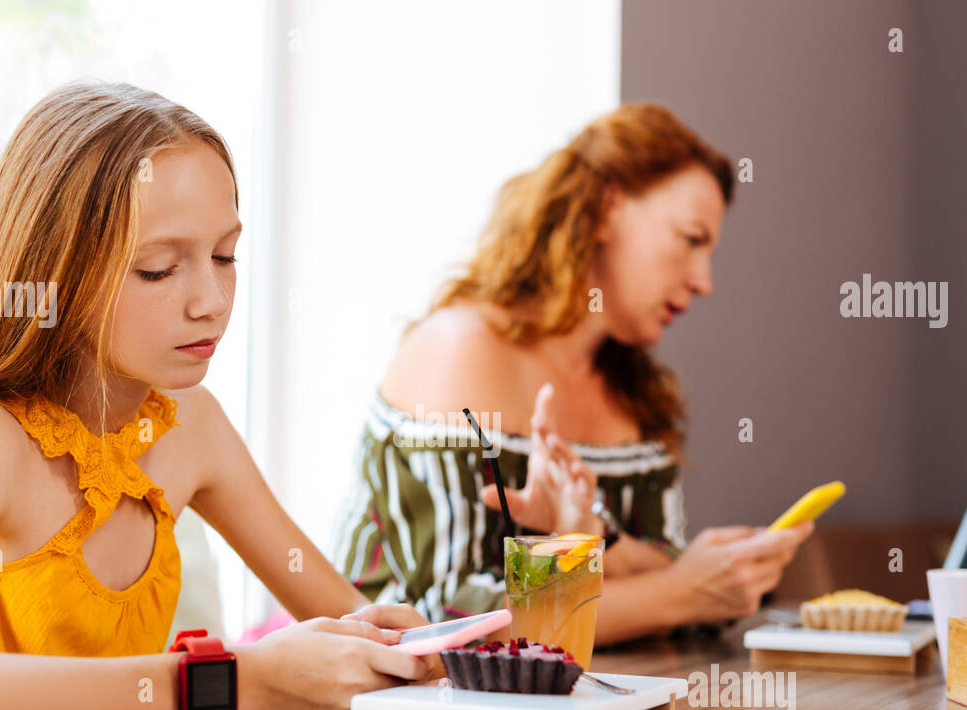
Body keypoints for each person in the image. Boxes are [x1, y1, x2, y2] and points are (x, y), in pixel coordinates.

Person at [0, 81, 432, 710]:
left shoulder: (192, 429)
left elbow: (345, 619)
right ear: (56, 274)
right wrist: (231, 682)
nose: (212, 301)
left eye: (225, 256)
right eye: (159, 270)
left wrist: (401, 656)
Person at [331, 102, 813, 645]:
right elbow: (443, 618)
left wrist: (704, 576)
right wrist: (681, 591)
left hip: (599, 702)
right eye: (692, 238)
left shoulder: (635, 391)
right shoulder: (459, 348)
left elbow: (674, 584)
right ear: (608, 208)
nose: (704, 280)